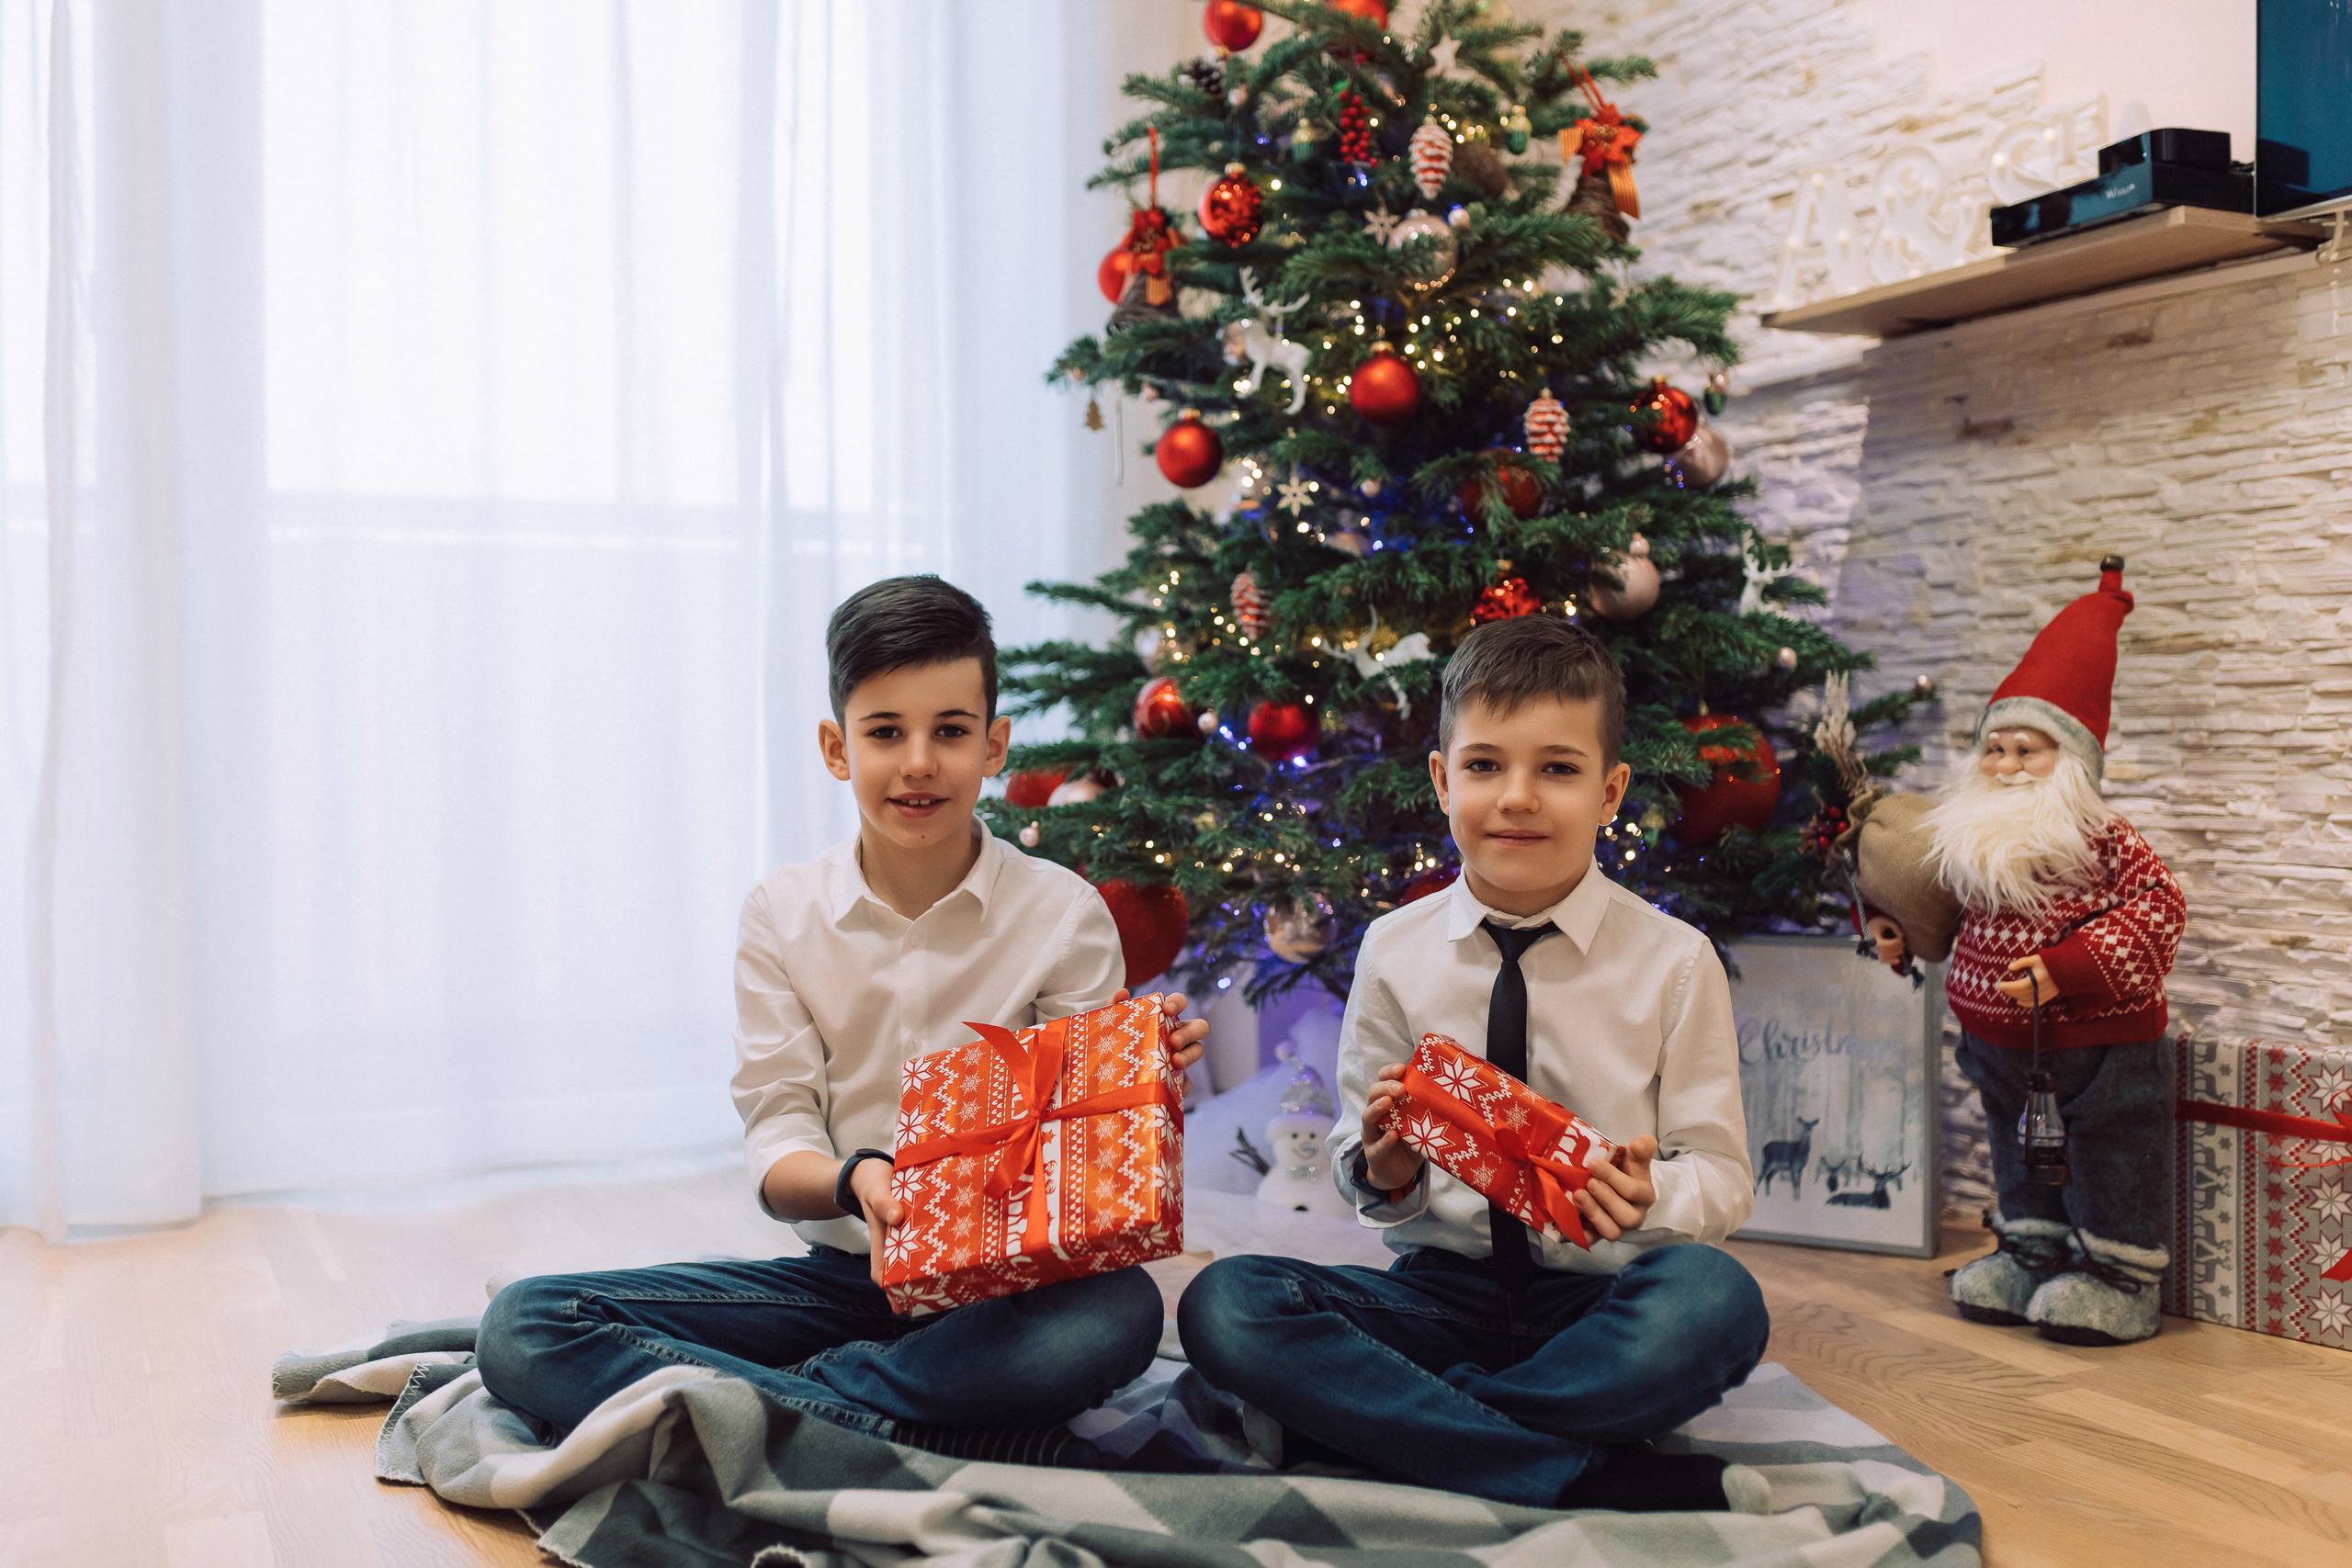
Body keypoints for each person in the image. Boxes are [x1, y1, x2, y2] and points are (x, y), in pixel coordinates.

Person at [479, 575, 1208, 1461]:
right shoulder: (780, 913)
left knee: (1119, 1312)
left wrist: (1140, 1084)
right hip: (840, 1284)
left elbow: (1084, 1174)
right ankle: (901, 1419)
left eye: (950, 731)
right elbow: (777, 1128)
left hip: (1008, 1293)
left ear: (995, 746)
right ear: (836, 746)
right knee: (526, 1324)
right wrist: (855, 1181)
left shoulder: (1064, 911)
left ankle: (773, 1411)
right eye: (885, 732)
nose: (918, 763)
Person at [1177, 615, 1770, 1513]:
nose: (1517, 797)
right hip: (1434, 1302)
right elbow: (1360, 1165)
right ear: (1441, 778)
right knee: (1227, 1302)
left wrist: (1654, 1199)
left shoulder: (1675, 961)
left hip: (1598, 1300)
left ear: (1610, 793)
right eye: (1486, 765)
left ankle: (1410, 1435)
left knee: (1715, 1302)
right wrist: (1383, 1166)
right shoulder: (1393, 948)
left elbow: (1721, 1178)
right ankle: (1581, 1470)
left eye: (1558, 769)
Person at [1867, 558, 2184, 1345]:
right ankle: (2030, 1250)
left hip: (2096, 1047)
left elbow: (2161, 907)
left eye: (2026, 751)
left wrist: (2067, 968)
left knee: (2109, 1150)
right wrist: (1892, 927)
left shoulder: (2103, 842)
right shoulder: (1972, 840)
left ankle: (2118, 1274)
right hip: (1999, 1047)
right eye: (1994, 748)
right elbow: (1934, 901)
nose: (2005, 766)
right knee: (2018, 1147)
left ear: (2070, 763)